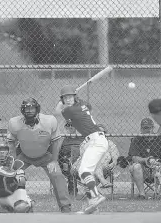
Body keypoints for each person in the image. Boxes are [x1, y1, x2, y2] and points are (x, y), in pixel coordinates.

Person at [7, 98, 72, 213]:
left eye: (32, 108)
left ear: (37, 109)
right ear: (22, 110)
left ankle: (65, 208)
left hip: (45, 155)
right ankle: (7, 207)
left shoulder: (49, 121)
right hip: (24, 156)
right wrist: (13, 162)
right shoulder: (14, 123)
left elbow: (56, 141)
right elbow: (11, 143)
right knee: (10, 176)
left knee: (58, 176)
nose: (29, 111)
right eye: (26, 108)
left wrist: (54, 161)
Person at [54, 85, 109, 214]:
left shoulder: (70, 110)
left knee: (84, 171)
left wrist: (61, 101)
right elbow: (88, 106)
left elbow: (56, 112)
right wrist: (74, 97)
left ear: (75, 97)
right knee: (84, 172)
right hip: (95, 141)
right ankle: (92, 206)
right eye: (65, 98)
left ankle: (96, 196)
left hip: (96, 141)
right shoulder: (83, 104)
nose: (68, 100)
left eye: (70, 97)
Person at [125, 117, 161, 199]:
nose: (148, 130)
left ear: (153, 128)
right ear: (141, 129)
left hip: (158, 169)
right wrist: (145, 160)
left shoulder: (159, 139)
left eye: (150, 128)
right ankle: (142, 195)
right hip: (143, 170)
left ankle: (160, 194)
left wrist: (158, 162)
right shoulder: (137, 140)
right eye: (145, 128)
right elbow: (134, 158)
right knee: (136, 166)